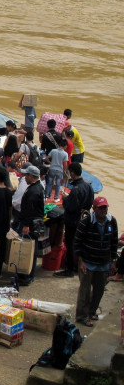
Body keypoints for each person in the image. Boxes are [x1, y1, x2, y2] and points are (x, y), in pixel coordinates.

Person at [73, 197, 118, 327]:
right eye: (100, 208)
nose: (103, 210)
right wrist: (80, 261)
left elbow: (114, 242)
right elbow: (77, 242)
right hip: (87, 262)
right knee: (85, 292)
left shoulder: (111, 221)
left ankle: (91, 311)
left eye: (105, 207)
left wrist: (113, 261)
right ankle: (82, 316)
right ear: (94, 209)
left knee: (99, 290)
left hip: (103, 263)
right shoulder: (86, 221)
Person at [56, 163, 95, 278]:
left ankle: (69, 269)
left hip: (73, 221)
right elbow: (89, 203)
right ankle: (76, 266)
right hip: (83, 220)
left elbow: (71, 207)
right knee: (79, 244)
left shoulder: (76, 190)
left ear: (72, 173)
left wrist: (65, 199)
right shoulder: (88, 187)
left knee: (70, 243)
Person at [18, 165, 45, 285]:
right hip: (35, 222)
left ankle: (26, 276)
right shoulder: (38, 187)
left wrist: (26, 225)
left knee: (28, 251)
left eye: (26, 175)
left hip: (31, 224)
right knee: (32, 250)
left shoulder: (34, 191)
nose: (25, 178)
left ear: (32, 176)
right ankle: (29, 274)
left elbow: (30, 210)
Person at [45, 135, 68, 201]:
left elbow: (46, 159)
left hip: (52, 169)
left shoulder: (53, 150)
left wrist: (51, 163)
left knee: (49, 183)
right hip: (59, 170)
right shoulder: (65, 154)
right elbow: (65, 164)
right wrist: (65, 172)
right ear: (65, 146)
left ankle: (47, 196)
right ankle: (56, 197)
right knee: (58, 184)